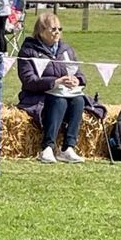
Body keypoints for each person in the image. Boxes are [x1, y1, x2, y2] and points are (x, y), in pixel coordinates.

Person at [17, 12, 86, 164]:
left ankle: (68, 148)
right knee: (58, 101)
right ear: (41, 31)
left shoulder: (66, 50)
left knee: (79, 100)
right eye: (53, 29)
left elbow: (79, 73)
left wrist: (77, 80)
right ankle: (47, 147)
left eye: (59, 29)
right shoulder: (28, 51)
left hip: (66, 93)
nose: (57, 32)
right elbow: (28, 80)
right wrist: (55, 82)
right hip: (38, 95)